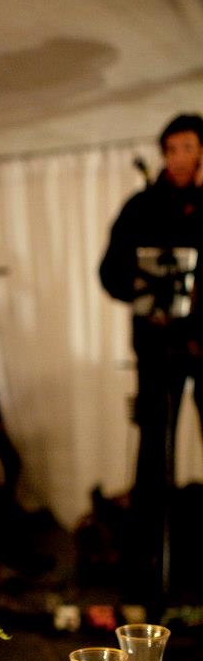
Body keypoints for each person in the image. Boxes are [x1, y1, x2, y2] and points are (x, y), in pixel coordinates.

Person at [99, 113, 203, 596]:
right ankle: (146, 576)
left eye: (190, 148)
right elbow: (110, 272)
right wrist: (141, 285)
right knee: (154, 455)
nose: (180, 158)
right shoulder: (143, 206)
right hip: (159, 347)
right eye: (173, 148)